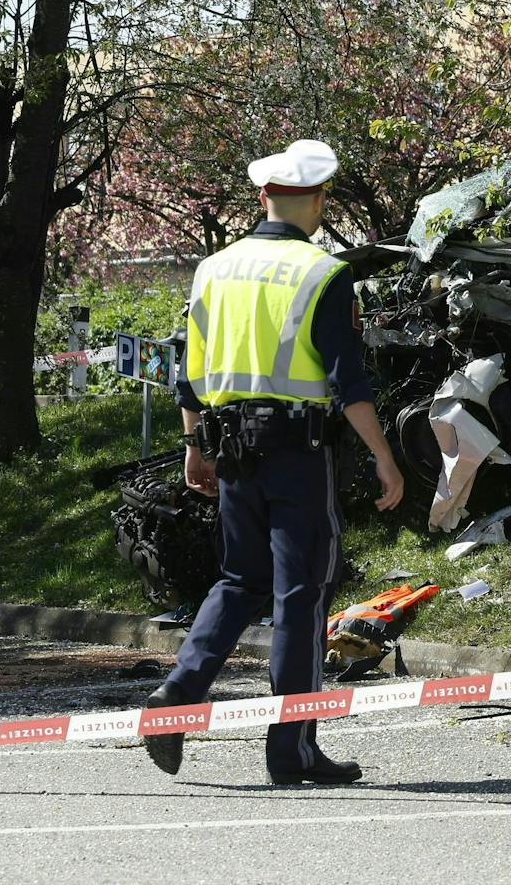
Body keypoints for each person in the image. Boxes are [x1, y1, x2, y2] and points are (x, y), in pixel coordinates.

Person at [143, 139, 404, 786]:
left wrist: (192, 446)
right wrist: (383, 457)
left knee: (238, 580)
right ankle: (293, 748)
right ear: (316, 201)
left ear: (263, 196)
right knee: (300, 596)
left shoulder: (213, 269)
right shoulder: (322, 273)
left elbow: (191, 374)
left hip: (230, 449)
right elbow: (349, 381)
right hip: (295, 452)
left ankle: (176, 697)